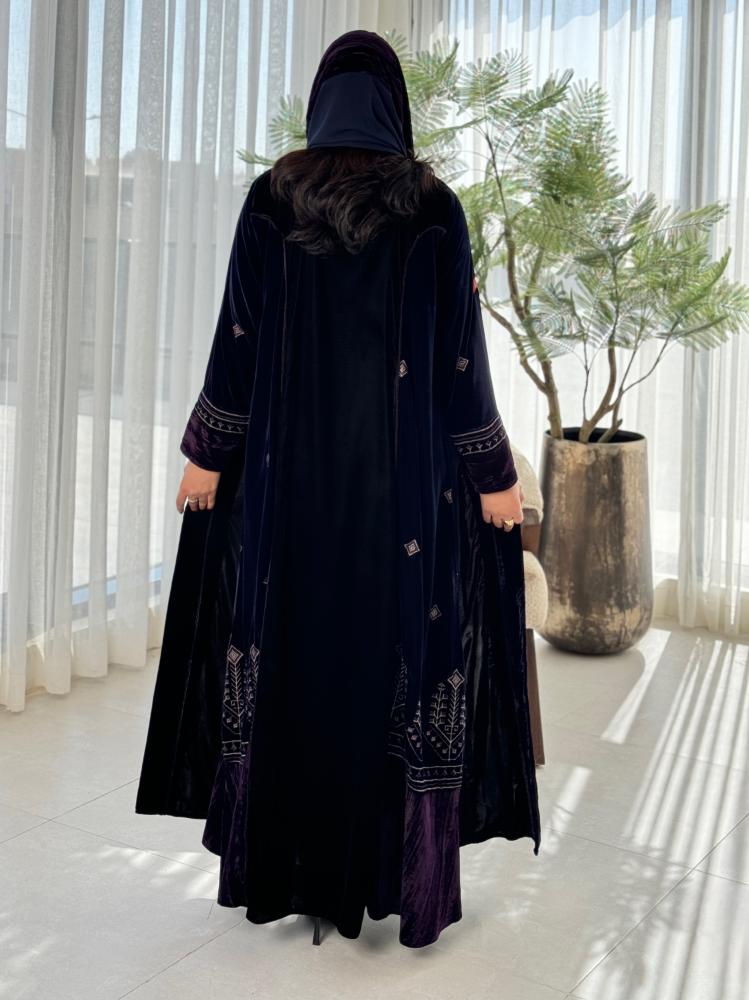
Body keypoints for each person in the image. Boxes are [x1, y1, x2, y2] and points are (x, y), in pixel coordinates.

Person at [135, 28, 540, 950]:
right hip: (404, 498)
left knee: (294, 655)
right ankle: (388, 873)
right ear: (396, 107)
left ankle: (286, 867)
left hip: (291, 489)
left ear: (321, 103)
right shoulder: (432, 205)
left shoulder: (273, 197)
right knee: (390, 663)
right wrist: (493, 475)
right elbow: (460, 362)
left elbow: (237, 338)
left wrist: (209, 452)